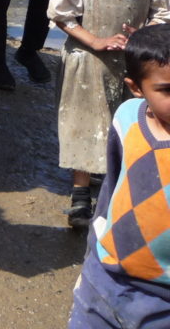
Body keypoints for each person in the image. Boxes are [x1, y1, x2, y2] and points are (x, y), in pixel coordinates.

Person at [48, 0, 170, 228]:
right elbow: (62, 15)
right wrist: (96, 41)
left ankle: (118, 189)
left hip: (133, 65)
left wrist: (144, 33)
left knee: (128, 122)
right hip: (86, 62)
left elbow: (163, 12)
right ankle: (80, 196)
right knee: (84, 123)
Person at [68, 23, 170, 328]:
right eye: (166, 90)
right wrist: (90, 260)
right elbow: (111, 192)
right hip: (102, 280)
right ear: (136, 87)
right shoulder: (127, 117)